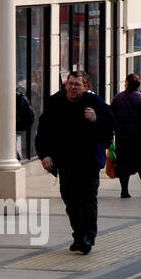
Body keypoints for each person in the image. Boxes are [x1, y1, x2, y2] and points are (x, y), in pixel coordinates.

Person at [35, 70, 114, 255]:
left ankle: (88, 237)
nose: (72, 87)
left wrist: (97, 119)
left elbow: (111, 123)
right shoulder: (56, 103)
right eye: (70, 84)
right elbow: (43, 132)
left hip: (89, 162)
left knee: (87, 200)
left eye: (77, 84)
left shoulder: (95, 103)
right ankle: (78, 235)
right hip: (66, 162)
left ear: (85, 86)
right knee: (70, 200)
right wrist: (44, 155)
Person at [111, 73, 141, 198]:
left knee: (123, 162)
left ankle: (124, 191)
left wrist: (110, 134)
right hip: (139, 135)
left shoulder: (117, 98)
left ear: (126, 84)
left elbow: (111, 117)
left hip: (122, 135)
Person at [15, 89, 35, 161]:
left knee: (13, 143)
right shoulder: (21, 97)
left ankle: (18, 158)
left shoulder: (15, 98)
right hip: (24, 126)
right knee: (15, 143)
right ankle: (18, 157)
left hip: (17, 126)